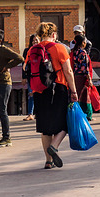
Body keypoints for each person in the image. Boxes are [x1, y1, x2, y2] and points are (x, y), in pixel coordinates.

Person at [31, 22, 77, 169]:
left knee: (45, 128)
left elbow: (27, 68)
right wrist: (74, 91)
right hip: (58, 89)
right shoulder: (60, 48)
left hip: (39, 91)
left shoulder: (33, 49)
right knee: (64, 123)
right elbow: (68, 71)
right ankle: (55, 146)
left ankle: (48, 161)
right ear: (53, 34)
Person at [71, 35, 95, 121]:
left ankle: (76, 113)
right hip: (82, 76)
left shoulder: (73, 52)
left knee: (77, 95)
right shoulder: (83, 53)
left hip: (75, 75)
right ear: (82, 43)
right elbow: (85, 67)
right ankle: (87, 114)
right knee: (85, 96)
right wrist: (89, 78)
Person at [22, 34, 39, 121]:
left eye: (37, 40)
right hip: (31, 76)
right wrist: (24, 77)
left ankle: (39, 113)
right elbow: (24, 63)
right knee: (31, 95)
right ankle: (30, 114)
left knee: (40, 95)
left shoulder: (42, 49)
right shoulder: (27, 50)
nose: (35, 42)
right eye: (33, 40)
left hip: (40, 76)